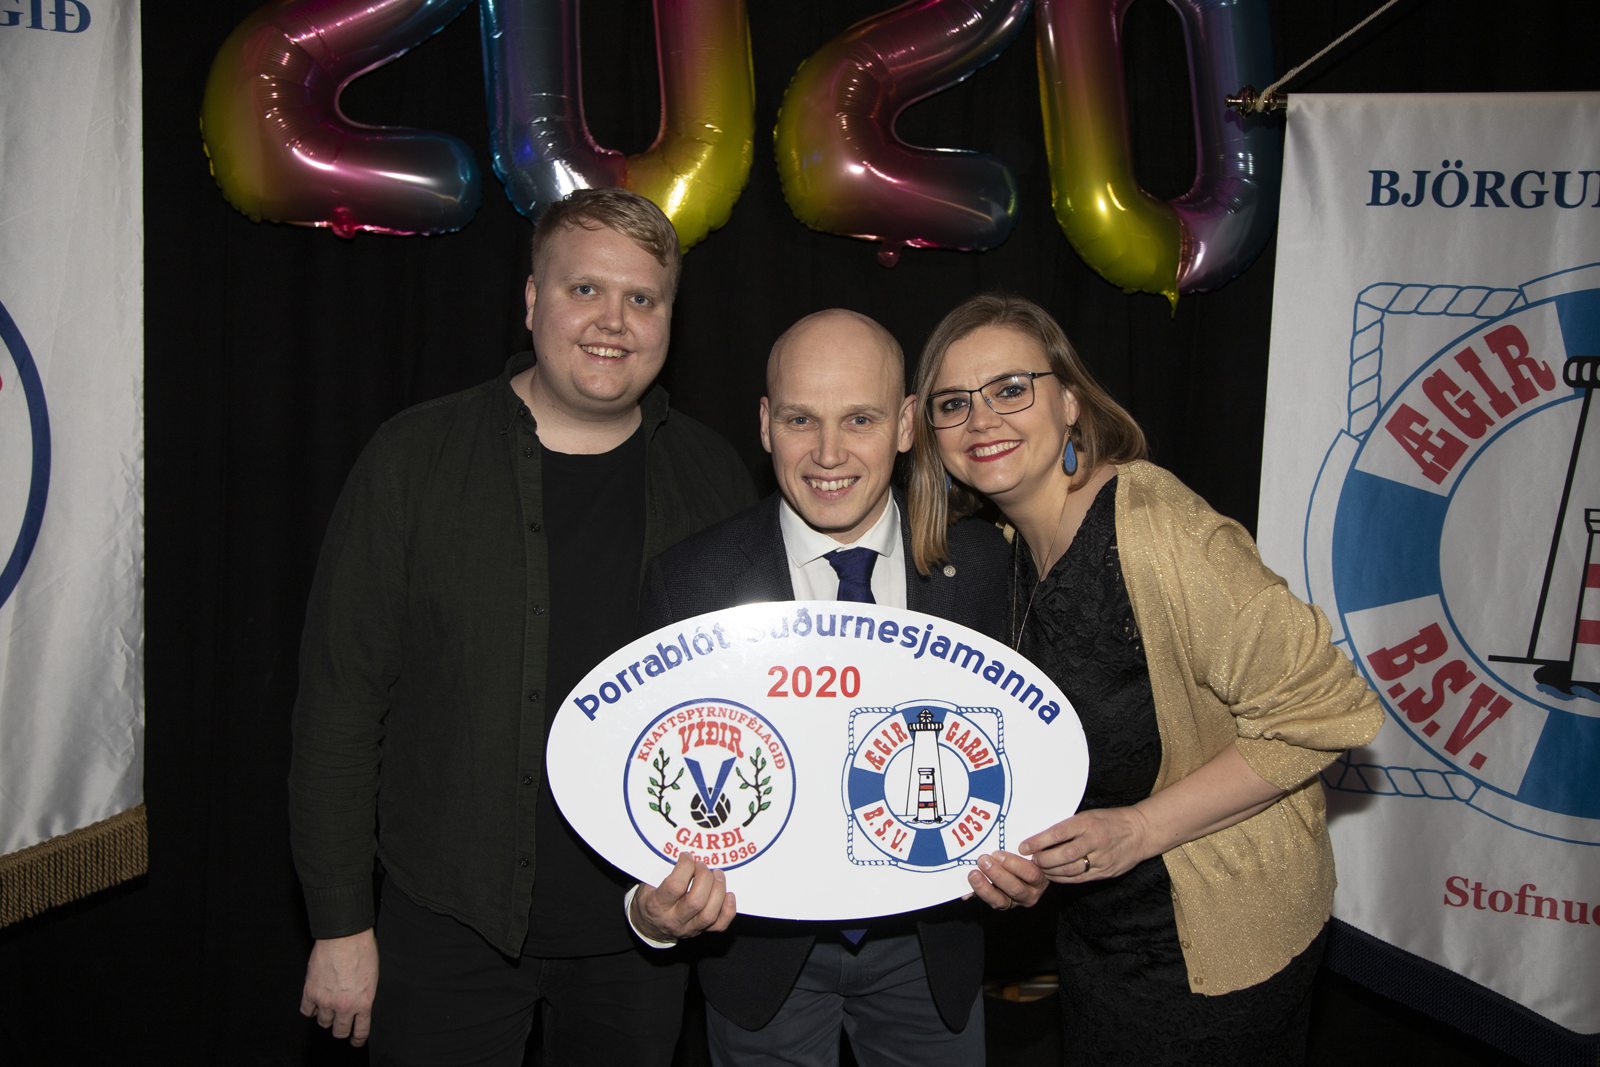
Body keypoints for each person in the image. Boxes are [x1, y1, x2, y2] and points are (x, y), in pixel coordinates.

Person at [289, 188, 756, 1065]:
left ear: (669, 319)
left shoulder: (714, 477)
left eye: (643, 297)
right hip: (446, 923)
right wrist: (339, 921)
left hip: (642, 935)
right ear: (534, 300)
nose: (613, 320)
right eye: (585, 289)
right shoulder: (413, 460)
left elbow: (746, 710)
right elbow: (338, 710)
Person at [910, 293, 1384, 1066]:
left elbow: (1330, 709)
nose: (981, 419)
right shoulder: (1002, 550)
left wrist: (1140, 828)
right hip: (1099, 930)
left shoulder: (1158, 529)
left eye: (1010, 388)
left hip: (1220, 938)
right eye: (953, 402)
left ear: (1069, 401)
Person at [636, 309, 1026, 1067]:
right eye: (800, 419)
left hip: (932, 946)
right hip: (758, 955)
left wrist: (1029, 850)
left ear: (906, 424)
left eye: (860, 419)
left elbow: (1024, 754)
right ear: (765, 424)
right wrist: (648, 907)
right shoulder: (689, 585)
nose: (828, 453)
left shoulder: (985, 567)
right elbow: (648, 783)